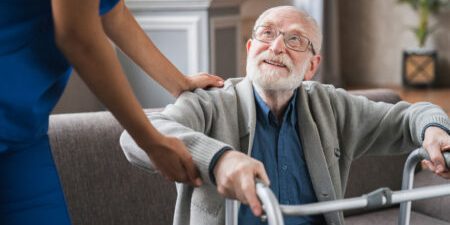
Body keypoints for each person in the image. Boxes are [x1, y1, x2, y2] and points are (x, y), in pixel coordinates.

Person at [120, 6, 450, 225]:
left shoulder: (332, 106)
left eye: (295, 40)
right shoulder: (210, 103)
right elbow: (139, 135)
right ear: (250, 51)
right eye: (267, 34)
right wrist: (218, 159)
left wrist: (434, 130)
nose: (277, 47)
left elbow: (411, 116)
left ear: (312, 66)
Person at [0, 0, 224, 224]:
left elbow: (113, 13)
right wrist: (150, 140)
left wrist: (179, 83)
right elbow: (78, 37)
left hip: (23, 135)